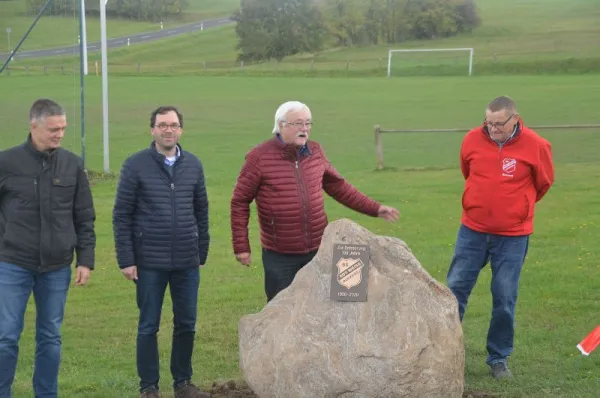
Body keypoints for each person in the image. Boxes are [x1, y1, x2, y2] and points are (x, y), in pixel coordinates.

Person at [230, 100, 399, 302]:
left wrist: (375, 209)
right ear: (281, 125)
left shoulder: (315, 152)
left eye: (308, 123)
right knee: (282, 310)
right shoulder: (259, 157)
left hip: (318, 249)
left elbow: (339, 187)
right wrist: (241, 247)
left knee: (322, 306)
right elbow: (239, 201)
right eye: (298, 123)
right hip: (280, 255)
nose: (305, 129)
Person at [446, 96, 554, 379]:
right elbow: (467, 172)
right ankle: (443, 351)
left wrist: (517, 209)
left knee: (504, 297)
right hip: (472, 230)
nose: (492, 129)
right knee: (454, 290)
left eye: (498, 124)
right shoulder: (471, 139)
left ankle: (498, 358)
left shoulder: (537, 145)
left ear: (515, 118)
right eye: (488, 123)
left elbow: (543, 183)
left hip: (512, 237)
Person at [0, 98, 96, 398]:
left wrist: (85, 260)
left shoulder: (72, 164)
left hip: (56, 268)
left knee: (50, 337)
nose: (59, 134)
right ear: (34, 126)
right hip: (12, 263)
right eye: (54, 129)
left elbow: (84, 215)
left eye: (63, 128)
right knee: (5, 337)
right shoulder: (7, 162)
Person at [112, 106, 211, 398]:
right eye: (162, 125)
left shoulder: (193, 165)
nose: (169, 130)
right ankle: (149, 387)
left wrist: (200, 253)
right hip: (148, 263)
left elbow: (201, 211)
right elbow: (122, 215)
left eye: (174, 125)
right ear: (152, 130)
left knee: (186, 324)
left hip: (186, 261)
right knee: (148, 325)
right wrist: (127, 259)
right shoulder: (135, 165)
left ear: (181, 130)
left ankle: (183, 383)